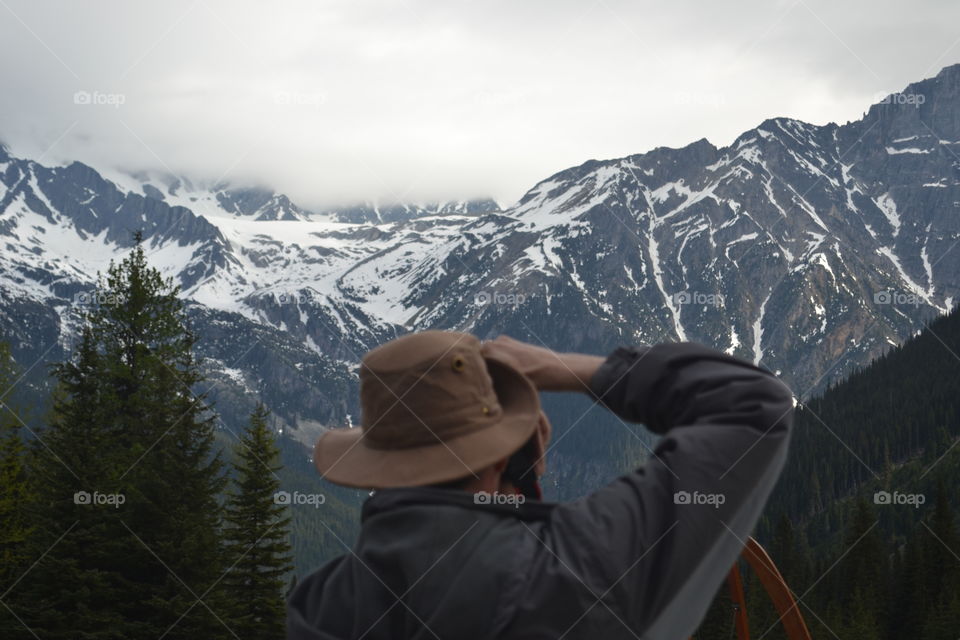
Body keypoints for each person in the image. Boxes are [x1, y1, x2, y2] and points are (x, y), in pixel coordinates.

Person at [287, 330, 795, 639]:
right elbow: (753, 405)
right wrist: (573, 370)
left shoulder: (322, 604)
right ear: (507, 451)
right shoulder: (587, 562)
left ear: (376, 463)